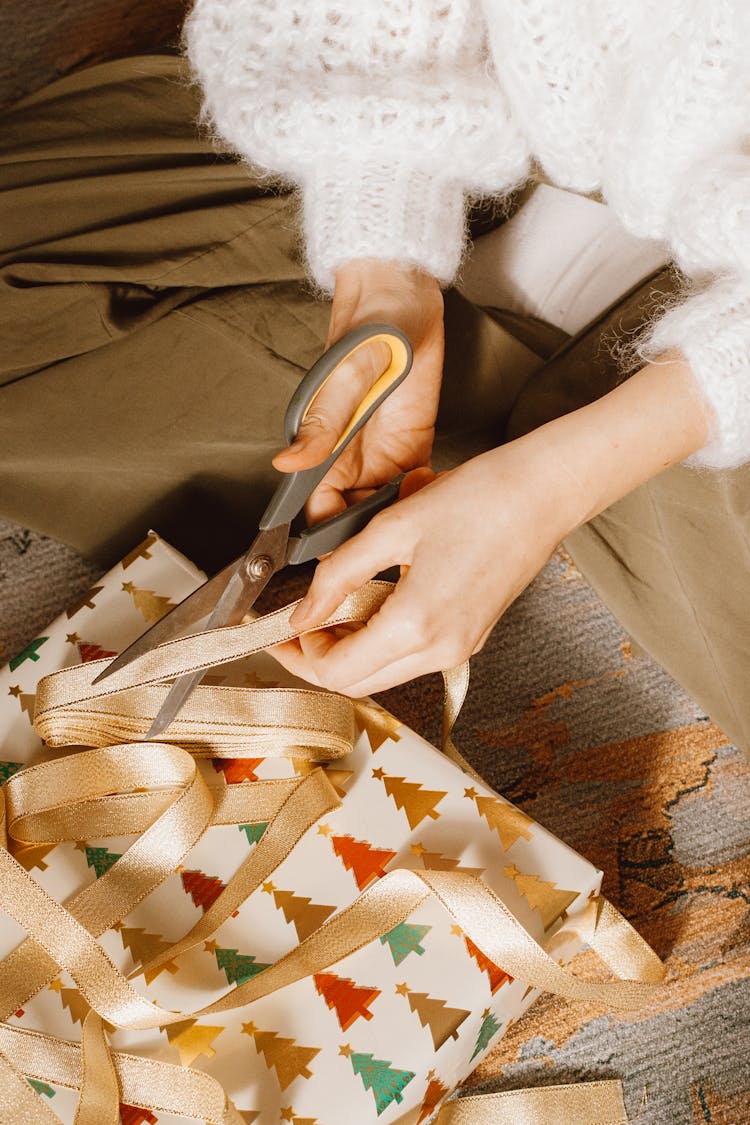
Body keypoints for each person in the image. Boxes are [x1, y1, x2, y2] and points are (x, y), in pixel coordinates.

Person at [1, 2, 748, 755]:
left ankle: (505, 453)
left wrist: (560, 480)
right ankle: (486, 441)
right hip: (488, 114)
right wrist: (381, 241)